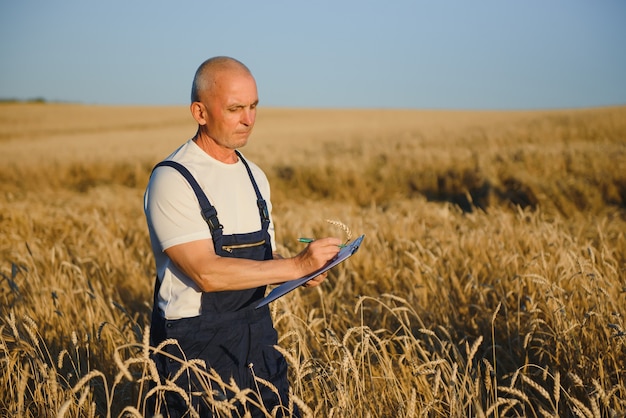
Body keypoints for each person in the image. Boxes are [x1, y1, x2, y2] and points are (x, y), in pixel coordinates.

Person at [143, 56, 341, 417]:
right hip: (195, 350)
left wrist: (302, 271)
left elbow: (263, 263)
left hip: (258, 336)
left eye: (253, 107)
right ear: (200, 112)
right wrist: (294, 266)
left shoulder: (255, 177)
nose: (248, 119)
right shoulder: (174, 179)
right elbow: (206, 273)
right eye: (235, 108)